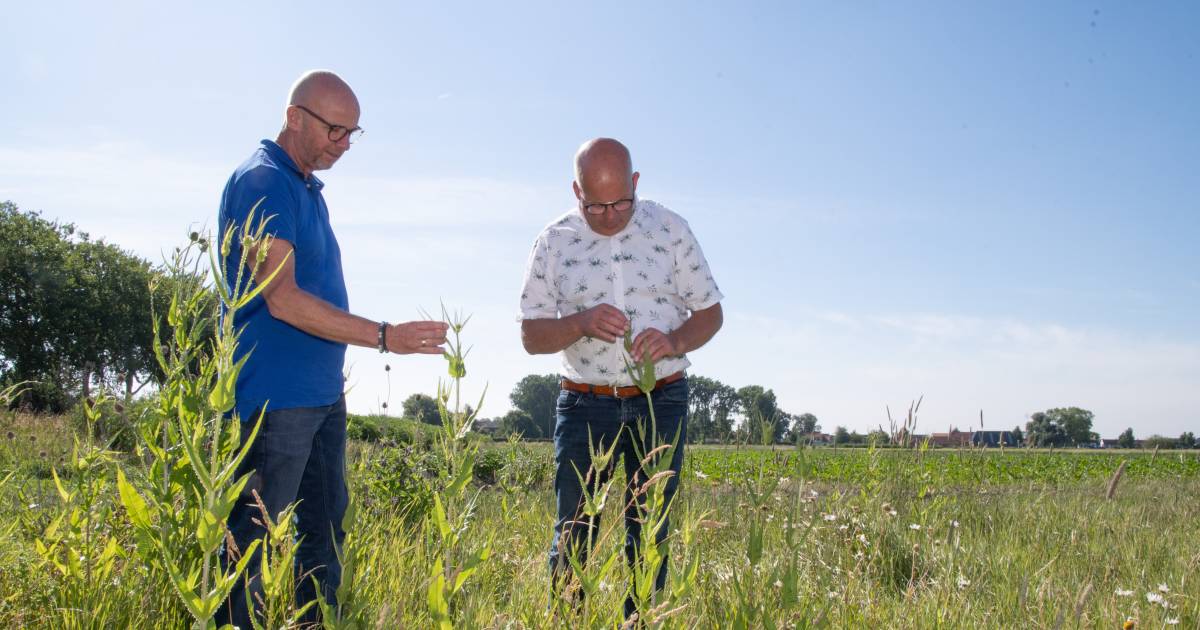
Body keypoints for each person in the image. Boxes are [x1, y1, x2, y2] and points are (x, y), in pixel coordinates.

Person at [217, 70, 449, 627]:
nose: (342, 145)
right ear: (294, 116)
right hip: (271, 402)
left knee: (321, 533)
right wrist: (385, 337)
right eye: (334, 131)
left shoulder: (306, 188)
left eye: (352, 134)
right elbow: (284, 301)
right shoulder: (262, 182)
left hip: (321, 397)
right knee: (246, 545)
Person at [518, 137, 724, 619]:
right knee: (573, 531)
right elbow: (531, 335)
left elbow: (710, 313)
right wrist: (579, 323)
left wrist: (673, 341)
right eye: (596, 206)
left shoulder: (670, 229)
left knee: (649, 529)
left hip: (661, 400)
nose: (610, 216)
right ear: (576, 191)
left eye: (621, 202)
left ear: (635, 183)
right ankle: (569, 622)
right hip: (584, 404)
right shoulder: (553, 241)